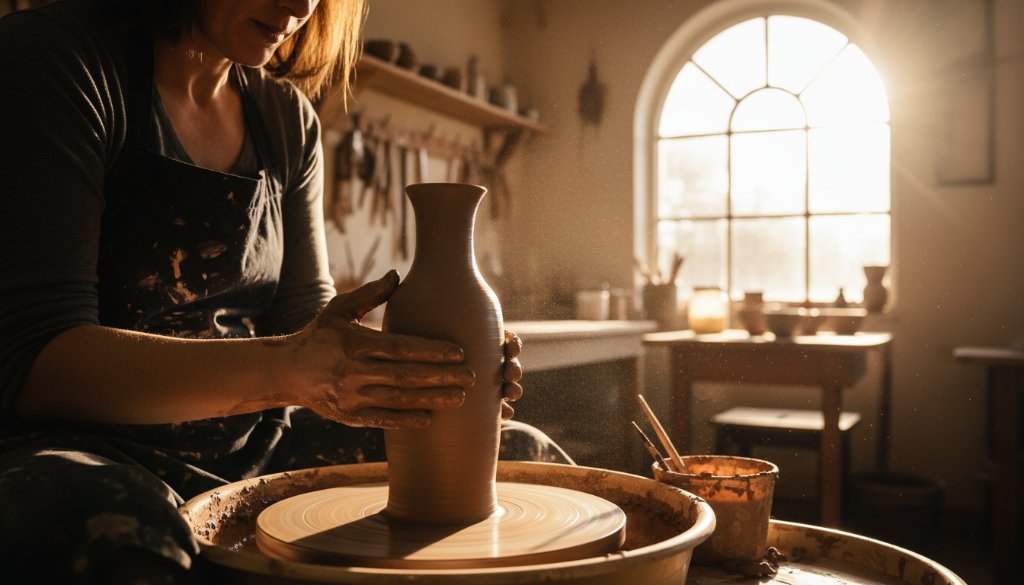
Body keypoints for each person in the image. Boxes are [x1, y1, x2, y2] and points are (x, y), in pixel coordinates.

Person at [0, 0, 570, 582]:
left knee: (522, 456)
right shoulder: (56, 60)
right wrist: (291, 369)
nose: (300, 6)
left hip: (257, 444)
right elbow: (36, 357)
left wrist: (427, 379)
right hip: (80, 448)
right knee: (119, 535)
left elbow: (311, 326)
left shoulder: (285, 118)